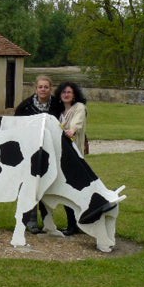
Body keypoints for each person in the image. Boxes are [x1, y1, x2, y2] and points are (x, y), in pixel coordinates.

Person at [14, 75, 62, 233]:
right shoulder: (25, 106)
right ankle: (30, 220)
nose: (43, 89)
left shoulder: (57, 104)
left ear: (50, 88)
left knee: (47, 184)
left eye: (46, 87)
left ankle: (48, 219)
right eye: (40, 87)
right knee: (31, 184)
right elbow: (16, 127)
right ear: (36, 89)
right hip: (30, 151)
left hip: (51, 150)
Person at [54, 81, 88, 236]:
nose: (66, 94)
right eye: (63, 92)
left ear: (74, 94)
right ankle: (74, 224)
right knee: (67, 190)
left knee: (73, 190)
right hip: (62, 156)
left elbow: (77, 124)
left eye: (69, 92)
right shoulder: (59, 112)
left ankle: (76, 224)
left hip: (74, 155)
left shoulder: (79, 108)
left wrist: (71, 130)